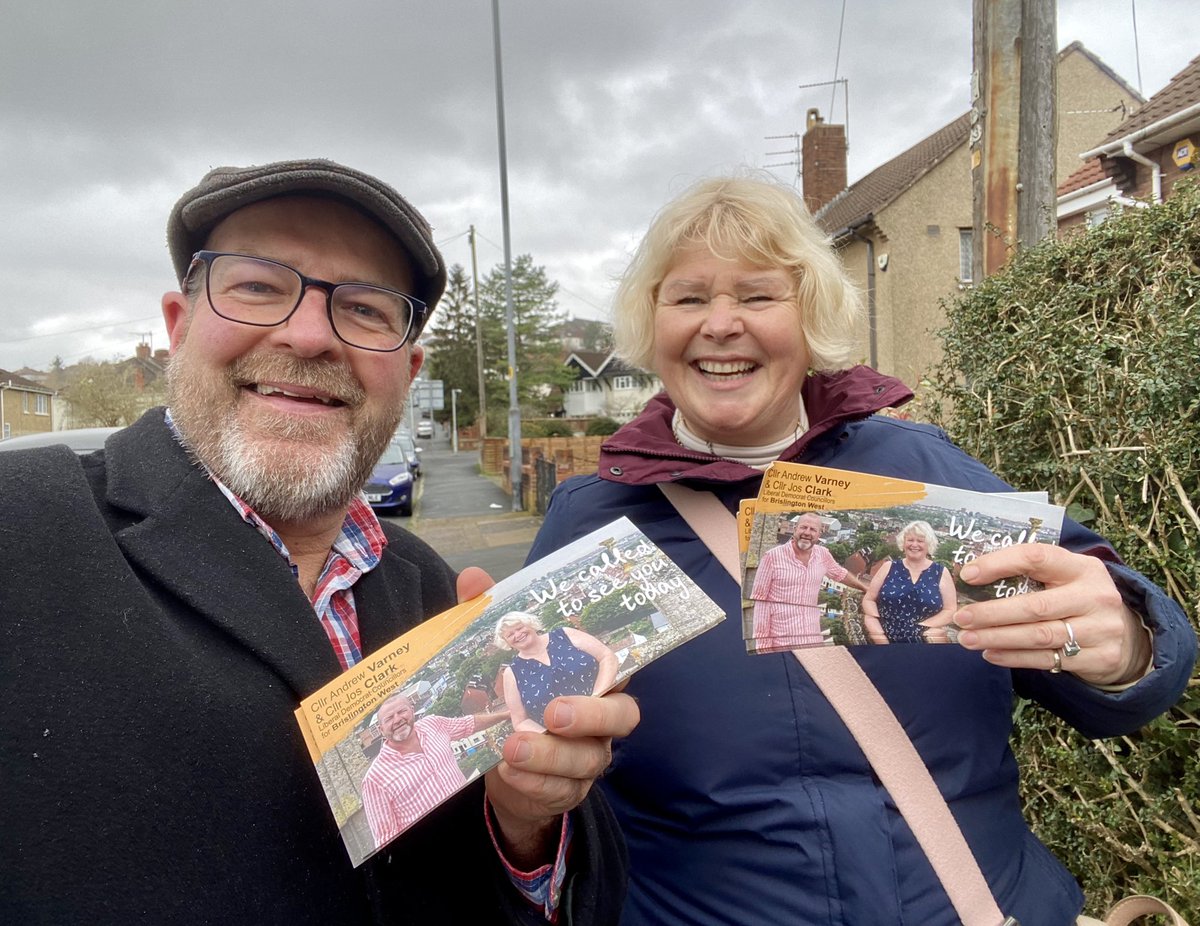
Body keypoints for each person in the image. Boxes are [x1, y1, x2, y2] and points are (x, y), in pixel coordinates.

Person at [526, 175, 1195, 925]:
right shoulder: (594, 526)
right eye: (687, 298)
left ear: (810, 316)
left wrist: (1131, 645)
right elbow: (531, 784)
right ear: (652, 325)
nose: (720, 324)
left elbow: (1119, 668)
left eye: (757, 295)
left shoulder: (924, 470)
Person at [0, 159, 637, 926]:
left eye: (366, 309)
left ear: (408, 370)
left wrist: (525, 821)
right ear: (178, 325)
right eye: (259, 286)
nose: (307, 336)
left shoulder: (435, 593)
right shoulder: (22, 530)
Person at [361, 692, 509, 847]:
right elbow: (386, 840)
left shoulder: (433, 725)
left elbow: (469, 724)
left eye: (401, 712)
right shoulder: (374, 779)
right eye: (389, 718)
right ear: (381, 729)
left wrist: (507, 715)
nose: (397, 719)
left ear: (412, 710)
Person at [749, 512, 868, 650]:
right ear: (795, 529)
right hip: (782, 643)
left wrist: (866, 589)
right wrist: (763, 645)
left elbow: (841, 574)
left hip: (813, 639)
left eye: (812, 529)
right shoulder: (772, 557)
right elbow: (760, 601)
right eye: (803, 527)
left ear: (819, 534)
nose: (807, 532)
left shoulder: (823, 554)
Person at [495, 612, 620, 732]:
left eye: (520, 628)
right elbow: (520, 721)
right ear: (506, 642)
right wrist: (553, 740)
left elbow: (607, 657)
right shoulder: (511, 673)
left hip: (609, 709)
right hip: (572, 740)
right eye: (510, 635)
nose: (517, 635)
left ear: (530, 624)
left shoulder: (565, 635)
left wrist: (596, 698)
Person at [861, 520, 958, 643]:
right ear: (903, 543)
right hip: (883, 636)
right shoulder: (889, 567)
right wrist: (875, 627)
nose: (914, 544)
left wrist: (923, 627)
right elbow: (869, 599)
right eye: (910, 540)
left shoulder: (941, 572)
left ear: (929, 545)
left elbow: (950, 610)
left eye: (920, 541)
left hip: (923, 638)